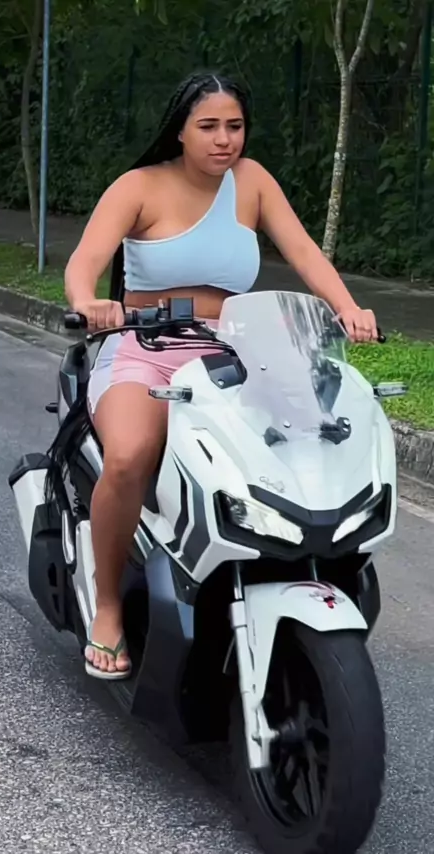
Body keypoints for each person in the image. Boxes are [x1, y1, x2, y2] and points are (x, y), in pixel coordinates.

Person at [64, 70, 378, 680]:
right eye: (208, 126)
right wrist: (89, 302)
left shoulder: (251, 182)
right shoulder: (139, 186)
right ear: (180, 130)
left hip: (233, 350)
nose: (223, 139)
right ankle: (108, 606)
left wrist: (348, 308)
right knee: (130, 456)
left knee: (304, 441)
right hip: (145, 345)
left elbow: (304, 252)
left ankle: (278, 570)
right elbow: (86, 261)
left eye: (234, 126)